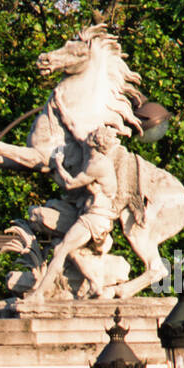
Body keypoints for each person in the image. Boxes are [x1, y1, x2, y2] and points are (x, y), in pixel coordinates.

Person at [28, 125, 123, 300]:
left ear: (96, 141)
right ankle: (95, 284)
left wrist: (58, 163)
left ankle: (39, 294)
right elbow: (76, 130)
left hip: (94, 217)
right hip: (94, 215)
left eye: (93, 134)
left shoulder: (97, 164)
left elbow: (70, 184)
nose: (89, 135)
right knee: (69, 251)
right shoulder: (94, 160)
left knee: (61, 251)